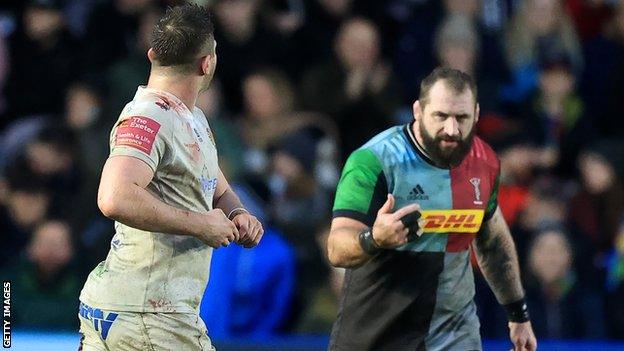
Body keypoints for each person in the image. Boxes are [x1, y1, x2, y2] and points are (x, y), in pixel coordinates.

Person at [77, 5, 264, 351]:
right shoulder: (148, 117)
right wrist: (200, 225)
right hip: (148, 317)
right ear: (207, 64)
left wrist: (237, 213)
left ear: (152, 55)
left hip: (137, 311)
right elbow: (114, 197)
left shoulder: (192, 118)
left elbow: (216, 186)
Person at [327, 67, 537, 350]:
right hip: (377, 335)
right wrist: (374, 239)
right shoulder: (372, 161)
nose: (452, 130)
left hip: (453, 335)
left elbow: (493, 244)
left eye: (462, 118)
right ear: (418, 111)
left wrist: (518, 315)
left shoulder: (485, 162)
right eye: (440, 116)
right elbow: (337, 249)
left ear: (476, 114)